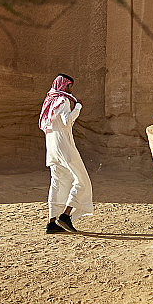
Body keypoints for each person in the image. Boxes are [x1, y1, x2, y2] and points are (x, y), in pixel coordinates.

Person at [39, 74, 94, 234]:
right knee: (82, 181)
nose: (71, 89)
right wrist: (78, 107)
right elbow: (67, 121)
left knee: (57, 183)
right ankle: (65, 216)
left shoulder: (49, 101)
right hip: (64, 147)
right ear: (65, 86)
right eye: (70, 86)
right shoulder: (63, 101)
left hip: (52, 148)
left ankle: (52, 222)